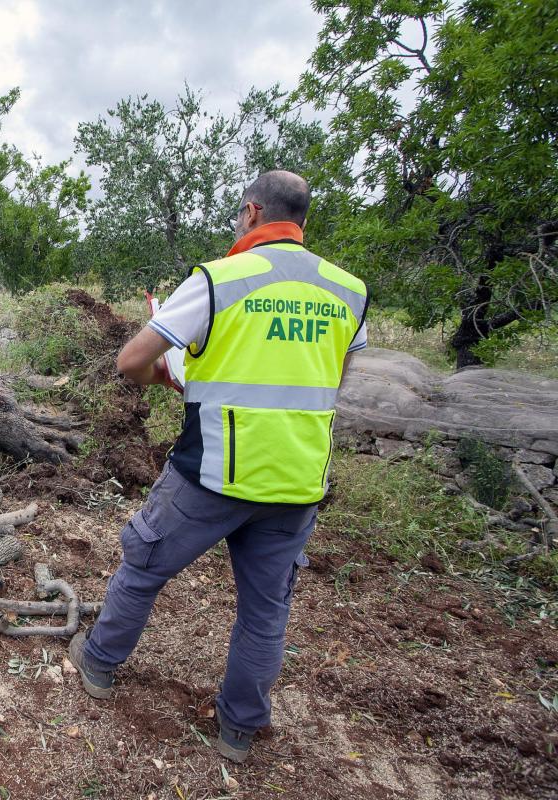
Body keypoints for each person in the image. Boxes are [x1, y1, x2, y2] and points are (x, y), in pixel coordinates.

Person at [67, 171, 368, 763]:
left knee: (144, 563)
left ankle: (99, 662)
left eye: (239, 215)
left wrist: (169, 376)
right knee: (264, 615)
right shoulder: (349, 290)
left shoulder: (220, 278)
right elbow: (335, 379)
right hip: (298, 482)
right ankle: (239, 730)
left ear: (253, 213)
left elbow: (132, 360)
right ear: (301, 219)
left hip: (213, 471)